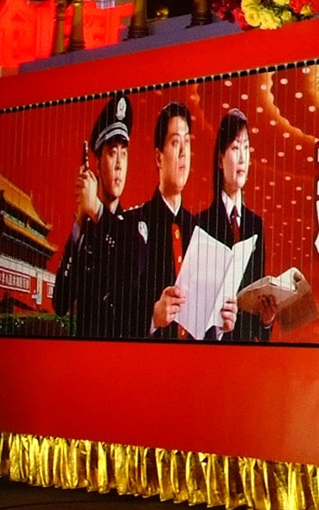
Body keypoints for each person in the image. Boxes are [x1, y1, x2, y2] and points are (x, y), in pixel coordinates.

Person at [52, 94, 155, 338]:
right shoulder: (86, 233)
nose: (119, 164)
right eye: (111, 153)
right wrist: (79, 220)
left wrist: (96, 209)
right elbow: (60, 303)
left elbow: (131, 267)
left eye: (124, 154)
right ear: (97, 165)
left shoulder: (136, 223)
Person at [130, 101, 234, 340]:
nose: (183, 153)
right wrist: (152, 317)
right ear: (159, 157)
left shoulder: (199, 230)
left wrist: (221, 324)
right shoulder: (135, 224)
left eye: (187, 143)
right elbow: (118, 309)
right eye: (175, 143)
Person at [191, 109, 274, 342]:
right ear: (220, 159)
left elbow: (258, 317)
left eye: (246, 148)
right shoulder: (201, 225)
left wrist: (267, 321)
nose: (242, 158)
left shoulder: (256, 225)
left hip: (247, 356)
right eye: (236, 148)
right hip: (212, 353)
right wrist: (218, 329)